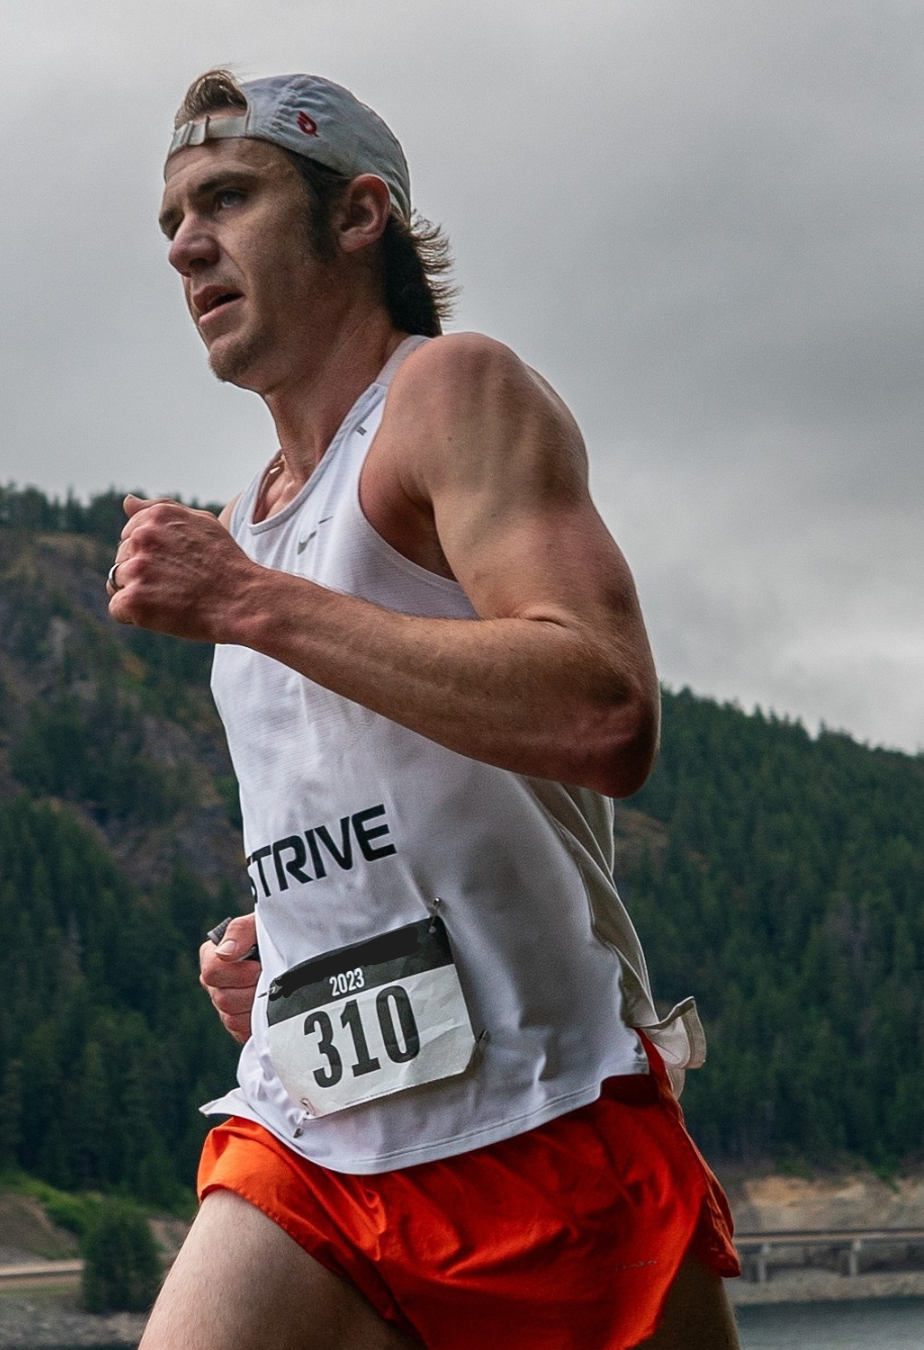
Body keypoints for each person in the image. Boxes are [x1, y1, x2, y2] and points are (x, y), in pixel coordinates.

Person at [107, 69, 740, 1350]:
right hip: (311, 1140)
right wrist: (286, 953)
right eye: (173, 217)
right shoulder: (253, 522)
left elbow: (606, 712)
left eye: (227, 197)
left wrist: (251, 604)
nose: (184, 245)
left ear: (359, 217)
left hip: (541, 1118)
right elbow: (381, 795)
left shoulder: (450, 395)